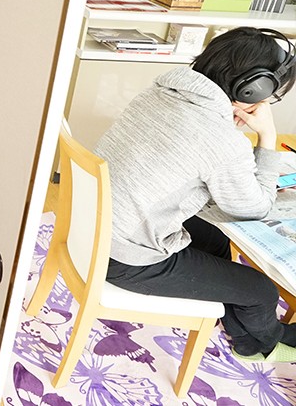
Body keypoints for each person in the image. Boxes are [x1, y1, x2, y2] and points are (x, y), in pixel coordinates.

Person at [94, 26, 296, 362]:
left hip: (97, 226)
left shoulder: (160, 90)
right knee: (262, 291)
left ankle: (235, 322)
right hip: (126, 258)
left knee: (215, 240)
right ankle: (264, 343)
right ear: (253, 88)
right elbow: (255, 208)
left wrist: (226, 121)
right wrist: (268, 138)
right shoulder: (221, 141)